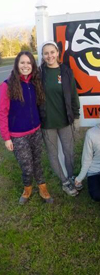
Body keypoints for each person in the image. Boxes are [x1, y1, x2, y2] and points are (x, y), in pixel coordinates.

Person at [0, 51, 53, 204]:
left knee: (37, 161)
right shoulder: (7, 85)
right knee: (27, 165)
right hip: (18, 135)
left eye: (29, 63)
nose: (25, 66)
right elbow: (2, 113)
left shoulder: (34, 83)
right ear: (17, 64)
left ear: (32, 65)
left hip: (35, 130)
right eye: (22, 62)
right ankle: (27, 188)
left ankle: (42, 187)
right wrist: (6, 138)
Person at [40, 40, 80, 197]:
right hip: (47, 122)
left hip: (65, 121)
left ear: (57, 53)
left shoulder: (66, 71)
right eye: (46, 53)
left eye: (52, 52)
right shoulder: (39, 73)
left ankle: (71, 176)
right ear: (43, 56)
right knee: (53, 153)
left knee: (69, 151)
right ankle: (64, 182)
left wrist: (76, 116)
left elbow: (73, 94)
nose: (49, 56)